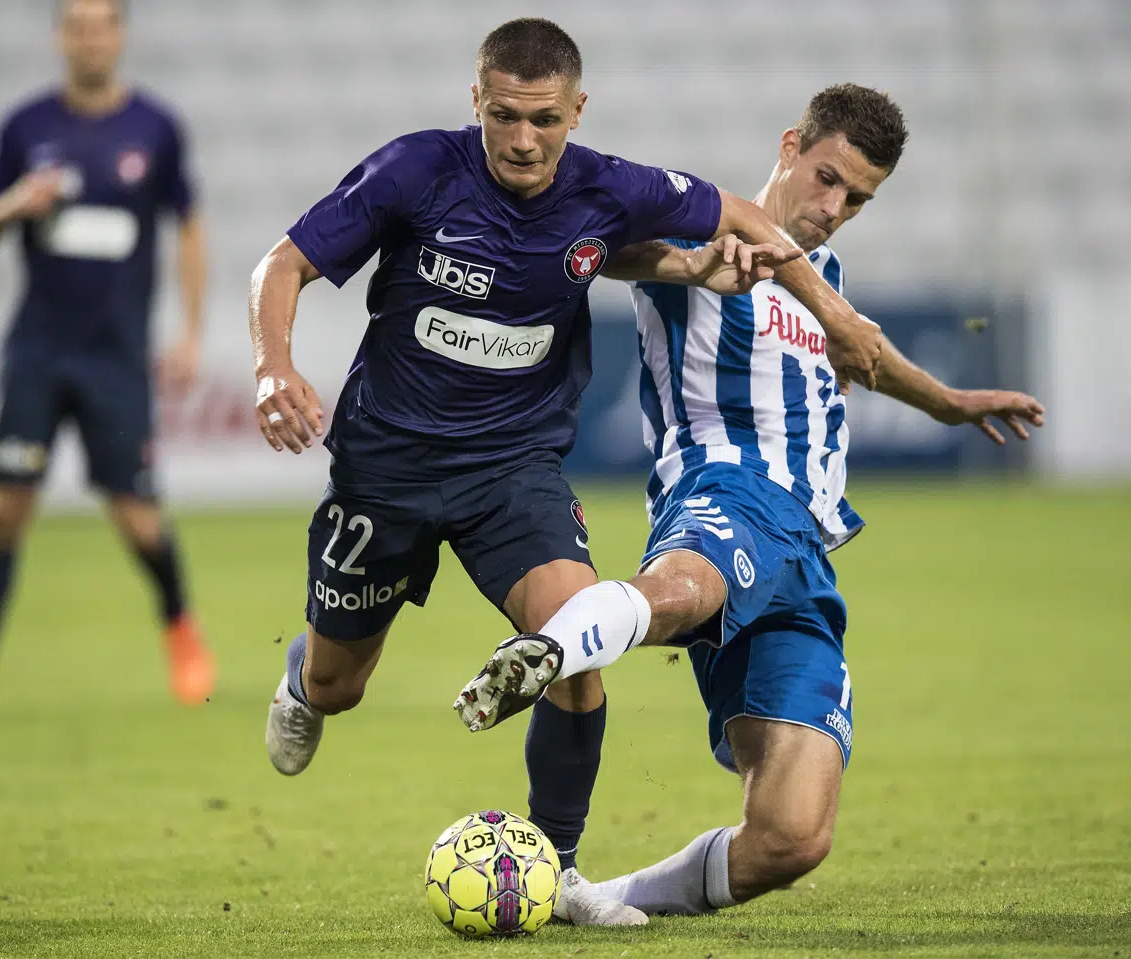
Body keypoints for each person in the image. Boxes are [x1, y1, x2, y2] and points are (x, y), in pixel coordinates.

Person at [252, 18, 884, 925]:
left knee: (575, 654)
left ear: (575, 112)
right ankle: (303, 671)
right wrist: (275, 365)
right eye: (504, 115)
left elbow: (744, 216)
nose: (522, 139)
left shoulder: (608, 185)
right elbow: (285, 262)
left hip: (513, 471)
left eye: (544, 120)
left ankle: (559, 867)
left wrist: (827, 312)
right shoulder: (415, 170)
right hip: (385, 470)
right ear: (476, 101)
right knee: (339, 688)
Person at [457, 84, 1046, 915]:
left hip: (803, 556)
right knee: (689, 584)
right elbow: (595, 243)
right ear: (790, 145)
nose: (837, 207)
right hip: (723, 486)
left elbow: (867, 353)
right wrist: (695, 264)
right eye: (828, 178)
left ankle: (586, 898)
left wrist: (948, 402)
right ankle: (562, 640)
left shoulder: (822, 285)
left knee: (790, 836)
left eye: (859, 198)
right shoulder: (707, 231)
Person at [0, 0, 213, 722]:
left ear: (120, 35)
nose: (90, 38)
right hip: (38, 350)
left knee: (137, 517)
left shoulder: (154, 129)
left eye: (102, 25)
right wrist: (17, 203)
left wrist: (190, 332)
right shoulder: (26, 127)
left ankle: (181, 626)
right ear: (59, 36)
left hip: (114, 357)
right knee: (4, 511)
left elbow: (189, 227)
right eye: (76, 25)